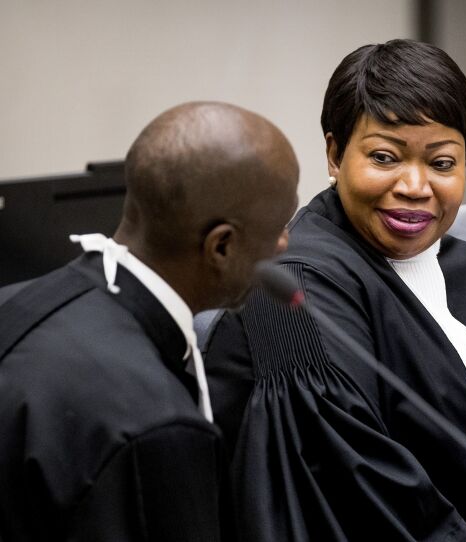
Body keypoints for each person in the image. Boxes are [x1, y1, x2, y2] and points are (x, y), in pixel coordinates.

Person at [204, 39, 466, 541]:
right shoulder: (296, 290)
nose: (416, 186)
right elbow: (356, 489)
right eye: (384, 157)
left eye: (442, 163)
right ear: (334, 154)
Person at [0, 101, 299, 541]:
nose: (284, 243)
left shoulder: (12, 302)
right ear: (222, 247)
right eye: (278, 227)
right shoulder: (155, 427)